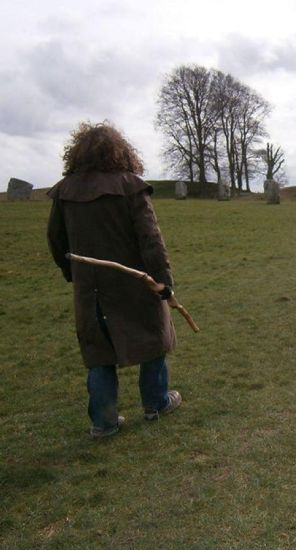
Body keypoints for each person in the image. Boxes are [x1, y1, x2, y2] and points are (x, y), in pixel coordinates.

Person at [47, 121, 182, 438]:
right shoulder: (129, 186)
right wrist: (163, 282)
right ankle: (155, 404)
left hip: (92, 286)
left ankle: (105, 422)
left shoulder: (67, 191)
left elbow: (55, 242)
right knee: (150, 339)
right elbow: (151, 241)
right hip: (135, 284)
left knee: (102, 351)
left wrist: (74, 276)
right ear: (121, 152)